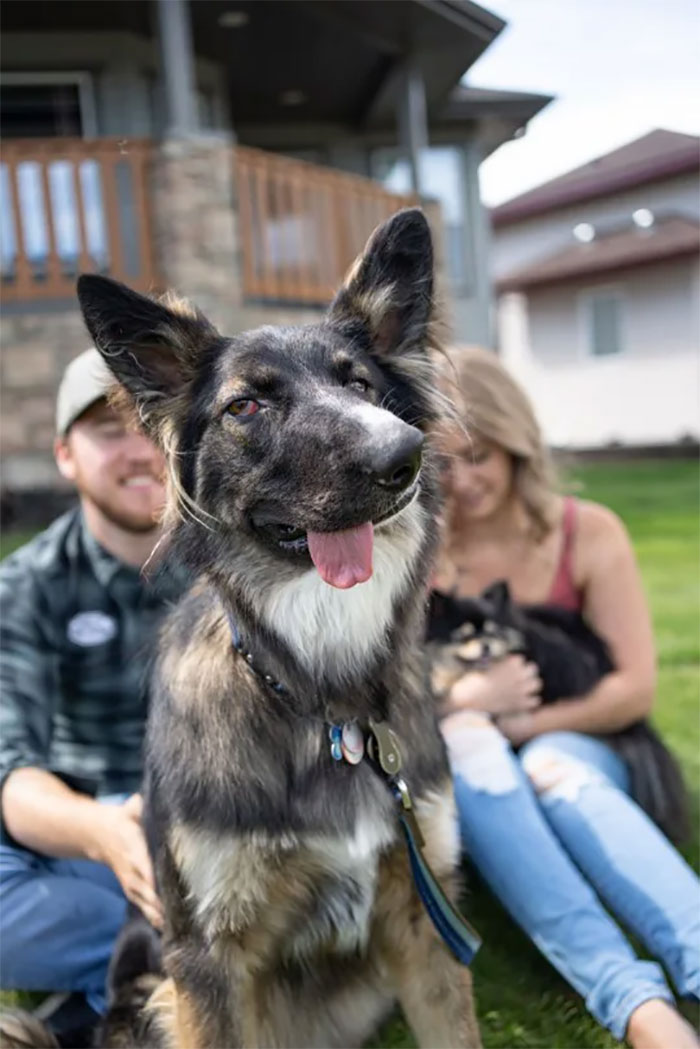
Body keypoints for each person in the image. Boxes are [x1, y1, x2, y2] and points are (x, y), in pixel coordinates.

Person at [433, 346, 700, 1049]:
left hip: (595, 743)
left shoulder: (588, 530)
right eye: (444, 462)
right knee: (472, 746)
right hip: (474, 752)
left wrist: (524, 722)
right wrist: (468, 697)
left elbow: (632, 689)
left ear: (517, 443)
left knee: (554, 765)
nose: (462, 480)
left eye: (480, 454)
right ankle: (640, 1007)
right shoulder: (424, 553)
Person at [0, 349, 180, 1043]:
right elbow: (14, 774)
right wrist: (107, 834)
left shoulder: (238, 563)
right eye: (109, 429)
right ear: (65, 456)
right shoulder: (26, 585)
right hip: (89, 843)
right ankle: (206, 972)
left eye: (152, 424)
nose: (139, 450)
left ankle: (87, 1021)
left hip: (224, 822)